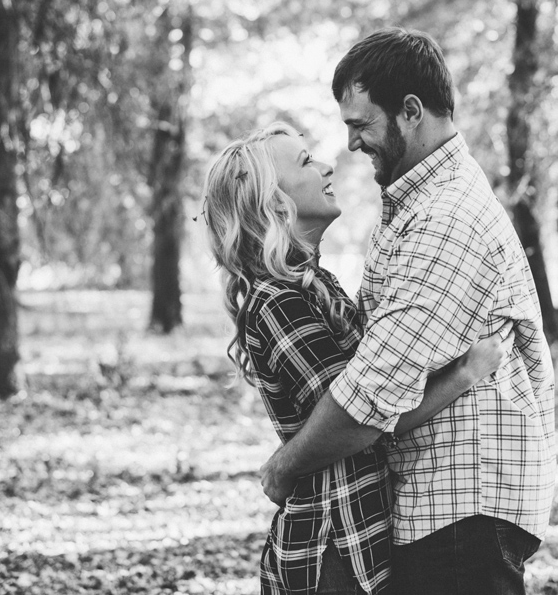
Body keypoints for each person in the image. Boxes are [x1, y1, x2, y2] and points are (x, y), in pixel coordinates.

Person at [259, 29, 556, 595]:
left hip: (462, 516)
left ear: (411, 111)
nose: (351, 145)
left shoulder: (447, 218)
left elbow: (371, 394)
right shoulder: (417, 207)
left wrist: (284, 467)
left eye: (361, 125)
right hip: (443, 512)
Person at [203, 121, 504, 595]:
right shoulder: (278, 302)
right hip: (331, 545)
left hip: (356, 537)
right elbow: (361, 417)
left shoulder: (316, 285)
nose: (326, 166)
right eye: (305, 162)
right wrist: (464, 373)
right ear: (272, 202)